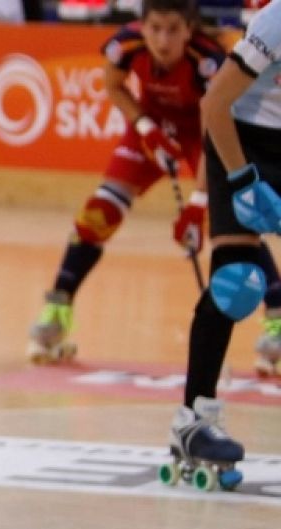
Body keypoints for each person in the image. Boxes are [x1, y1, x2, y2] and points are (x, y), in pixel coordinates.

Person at [29, 0, 227, 364]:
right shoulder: (127, 45)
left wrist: (198, 203)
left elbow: (215, 128)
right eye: (154, 28)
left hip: (202, 133)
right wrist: (146, 127)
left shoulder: (209, 61)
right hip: (149, 130)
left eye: (172, 30)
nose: (162, 40)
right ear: (142, 26)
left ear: (189, 29)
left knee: (230, 226)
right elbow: (114, 86)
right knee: (98, 213)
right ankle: (57, 309)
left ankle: (275, 320)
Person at [162, 0, 281, 489]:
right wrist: (242, 179)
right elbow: (214, 104)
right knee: (236, 283)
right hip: (243, 140)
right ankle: (193, 421)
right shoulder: (277, 20)